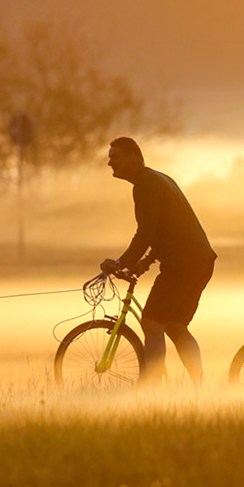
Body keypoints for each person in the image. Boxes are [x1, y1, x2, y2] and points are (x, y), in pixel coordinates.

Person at [100, 136, 217, 383]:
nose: (110, 163)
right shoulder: (156, 178)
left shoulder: (145, 185)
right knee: (175, 326)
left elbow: (146, 232)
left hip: (183, 263)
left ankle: (150, 390)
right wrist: (146, 261)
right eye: (110, 159)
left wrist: (122, 262)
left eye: (115, 157)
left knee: (152, 322)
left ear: (134, 156)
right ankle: (200, 386)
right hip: (200, 261)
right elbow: (168, 229)